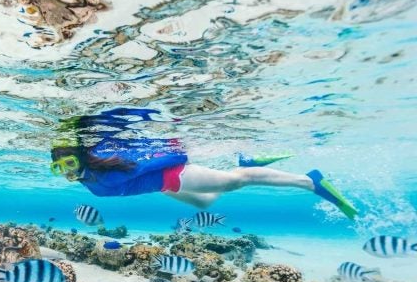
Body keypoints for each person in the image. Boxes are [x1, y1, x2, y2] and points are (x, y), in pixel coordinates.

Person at [49, 108, 358, 219]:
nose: (67, 172)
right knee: (205, 205)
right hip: (164, 187)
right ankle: (245, 160)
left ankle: (310, 181)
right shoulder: (91, 180)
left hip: (176, 176)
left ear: (81, 155)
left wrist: (177, 152)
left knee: (237, 181)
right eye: (59, 168)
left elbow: (152, 163)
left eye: (69, 162)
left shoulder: (108, 162)